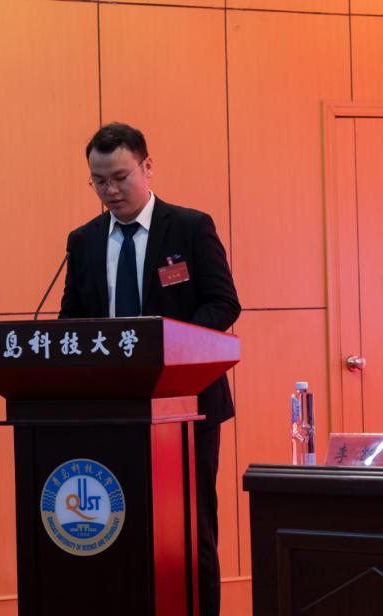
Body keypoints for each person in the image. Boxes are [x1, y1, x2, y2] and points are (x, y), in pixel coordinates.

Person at [58, 122, 240, 616]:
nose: (110, 191)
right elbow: (71, 321)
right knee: (118, 523)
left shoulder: (189, 227)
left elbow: (224, 303)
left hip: (187, 405)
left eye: (120, 177)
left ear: (147, 166)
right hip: (110, 410)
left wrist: (168, 345)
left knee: (190, 526)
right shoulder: (84, 241)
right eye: (99, 181)